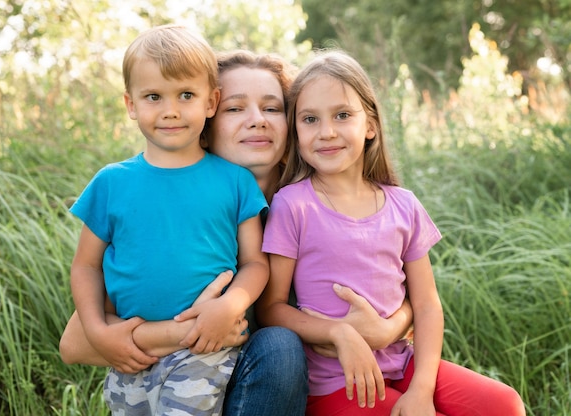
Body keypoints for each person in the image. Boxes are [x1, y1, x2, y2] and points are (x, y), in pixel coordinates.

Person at [60, 49, 415, 416]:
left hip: (328, 387)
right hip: (194, 389)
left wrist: (391, 327)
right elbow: (75, 345)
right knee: (279, 345)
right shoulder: (177, 213)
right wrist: (191, 328)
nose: (256, 120)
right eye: (235, 108)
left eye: (272, 108)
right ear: (207, 119)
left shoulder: (317, 205)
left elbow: (404, 290)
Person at [256, 50, 526, 416]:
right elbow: (271, 309)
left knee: (504, 404)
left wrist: (422, 390)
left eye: (342, 115)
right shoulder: (293, 205)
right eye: (310, 119)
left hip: (403, 365)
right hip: (338, 381)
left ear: (370, 125)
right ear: (296, 129)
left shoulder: (403, 205)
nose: (327, 132)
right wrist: (338, 332)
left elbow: (427, 304)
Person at [68, 25, 271, 415]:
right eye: (153, 97)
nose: (171, 110)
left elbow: (254, 263)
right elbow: (86, 265)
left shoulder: (234, 181)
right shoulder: (111, 183)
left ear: (211, 102)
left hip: (204, 350)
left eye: (186, 95)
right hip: (131, 351)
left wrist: (232, 305)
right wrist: (98, 332)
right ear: (130, 104)